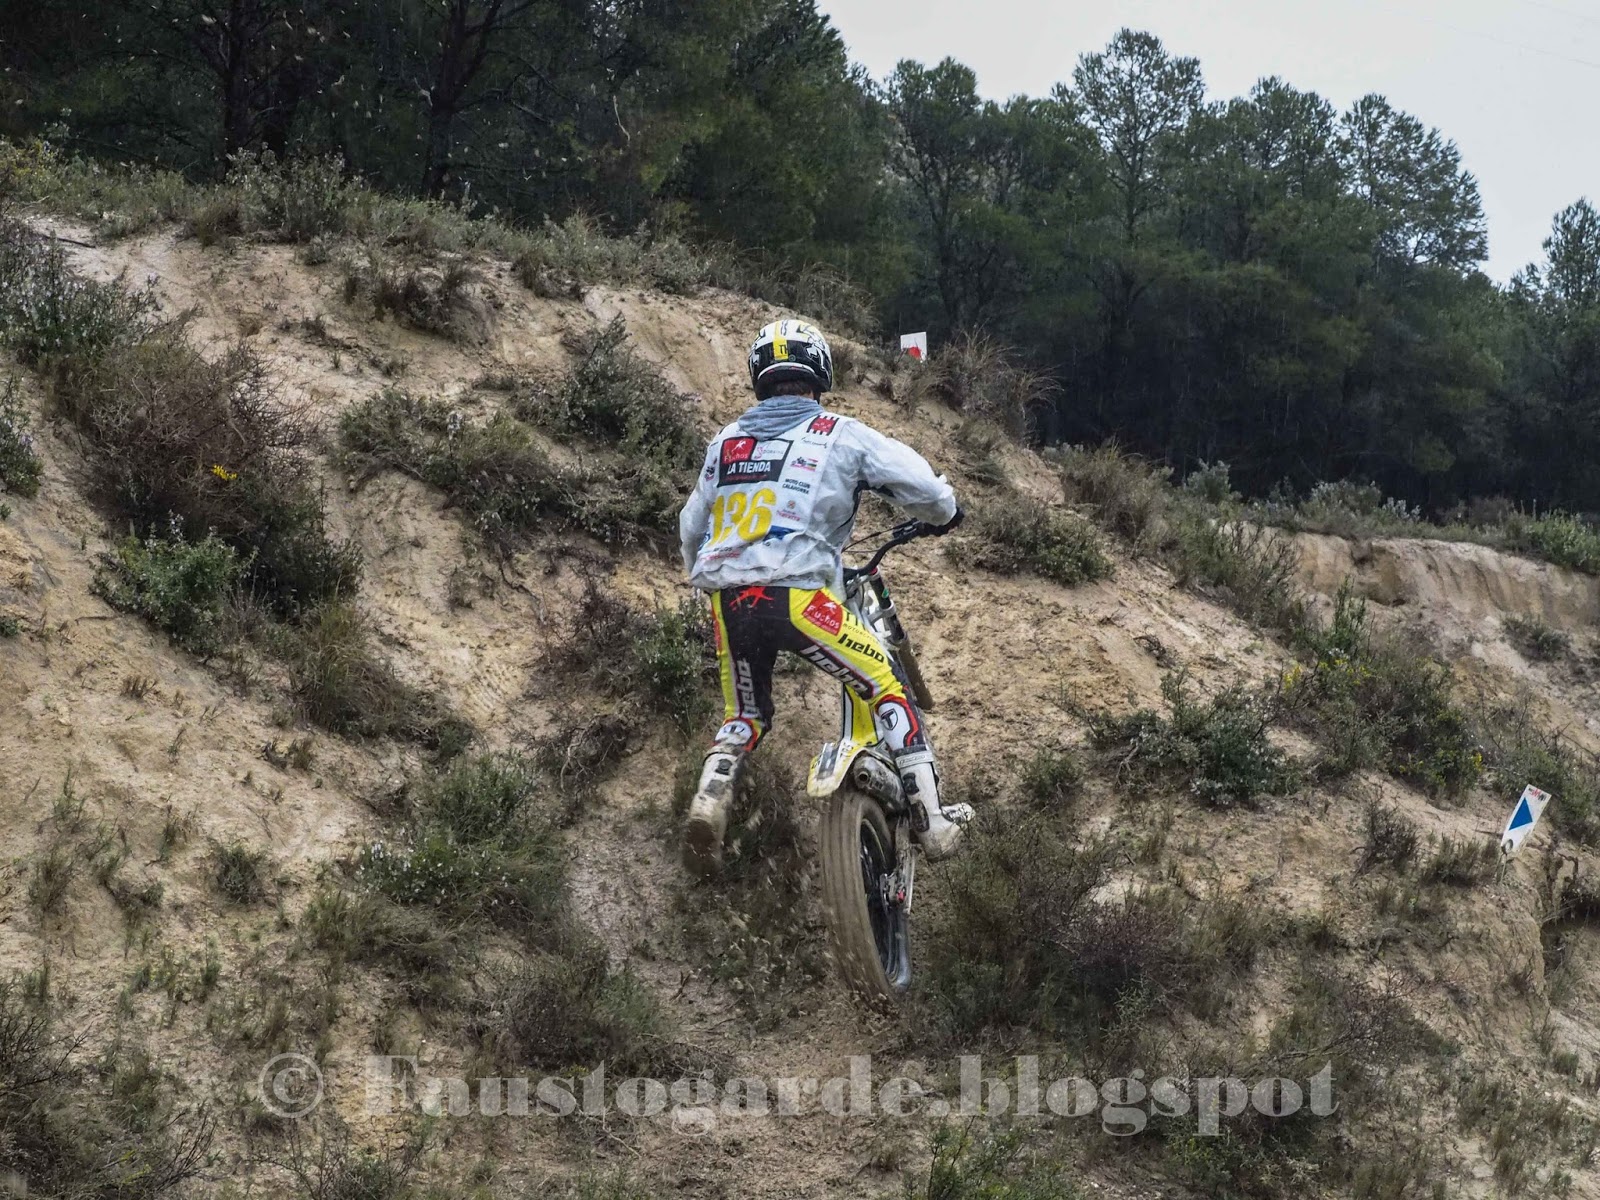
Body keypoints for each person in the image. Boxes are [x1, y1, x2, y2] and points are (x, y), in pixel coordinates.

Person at [676, 318, 973, 876]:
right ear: (820, 374)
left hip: (729, 602)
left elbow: (690, 527)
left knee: (745, 715)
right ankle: (933, 822)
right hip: (798, 599)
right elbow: (924, 488)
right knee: (884, 681)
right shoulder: (839, 433)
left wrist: (707, 575)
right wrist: (946, 511)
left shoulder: (725, 442)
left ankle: (710, 795)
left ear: (759, 378)